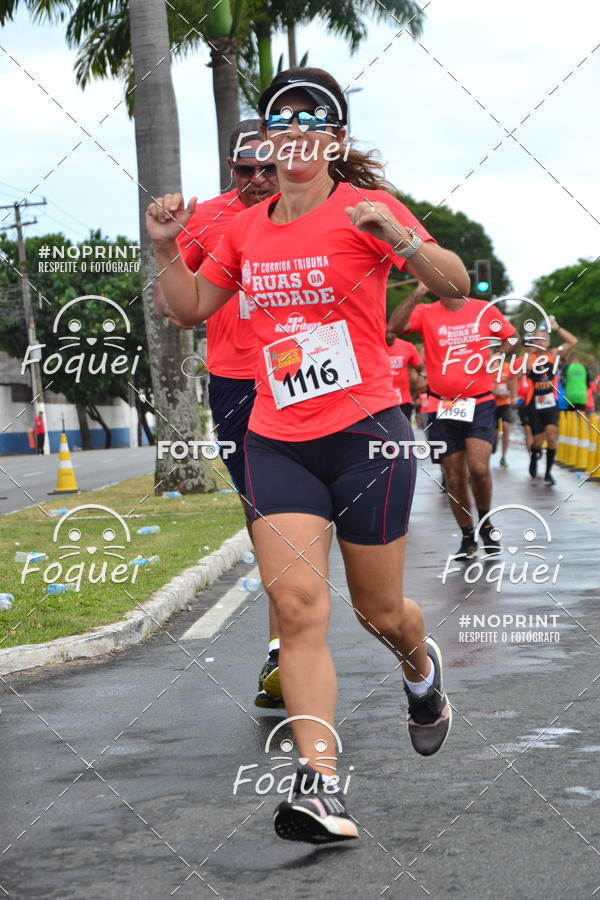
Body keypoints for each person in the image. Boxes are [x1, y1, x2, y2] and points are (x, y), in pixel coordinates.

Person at [148, 66, 470, 844]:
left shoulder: (368, 209)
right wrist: (164, 250)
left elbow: (454, 287)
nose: (294, 143)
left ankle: (420, 674)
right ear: (266, 138)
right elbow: (190, 308)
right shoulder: (244, 230)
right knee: (296, 609)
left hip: (368, 436)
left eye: (311, 128)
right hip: (277, 438)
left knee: (378, 610)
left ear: (333, 140)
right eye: (280, 129)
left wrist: (398, 239)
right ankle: (320, 787)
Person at [154, 120, 283, 709]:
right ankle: (285, 649)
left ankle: (290, 644)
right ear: (229, 168)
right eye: (243, 169)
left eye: (267, 166)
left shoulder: (316, 209)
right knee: (266, 517)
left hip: (305, 381)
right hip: (235, 380)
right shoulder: (209, 218)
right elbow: (179, 309)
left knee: (291, 517)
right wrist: (168, 246)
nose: (257, 179)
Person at [390, 287, 516, 559]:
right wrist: (416, 293)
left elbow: (511, 337)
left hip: (479, 402)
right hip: (440, 405)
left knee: (479, 468)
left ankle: (486, 522)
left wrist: (497, 355)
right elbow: (394, 328)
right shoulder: (425, 312)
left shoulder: (484, 308)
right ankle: (467, 536)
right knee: (455, 477)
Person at [524, 318, 577, 485]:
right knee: (537, 441)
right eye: (537, 339)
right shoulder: (529, 357)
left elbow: (573, 341)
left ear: (548, 342)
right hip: (534, 403)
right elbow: (524, 370)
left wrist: (557, 327)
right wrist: (529, 351)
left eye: (543, 339)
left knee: (552, 435)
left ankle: (548, 472)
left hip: (550, 402)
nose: (541, 341)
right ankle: (534, 455)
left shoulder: (553, 354)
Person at [385, 309, 426, 421]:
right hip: (383, 403)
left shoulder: (407, 346)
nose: (389, 335)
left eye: (392, 332)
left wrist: (422, 377)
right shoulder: (373, 348)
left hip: (404, 401)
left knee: (404, 437)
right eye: (386, 332)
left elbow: (421, 367)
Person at [490, 354, 517, 467]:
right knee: (494, 430)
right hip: (493, 402)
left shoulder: (508, 367)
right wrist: (495, 392)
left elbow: (514, 382)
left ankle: (503, 457)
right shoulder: (490, 369)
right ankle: (494, 439)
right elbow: (487, 386)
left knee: (506, 426)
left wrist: (512, 393)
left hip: (506, 402)